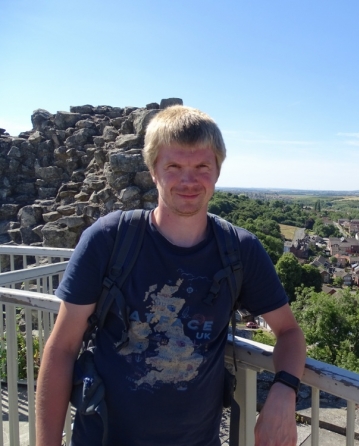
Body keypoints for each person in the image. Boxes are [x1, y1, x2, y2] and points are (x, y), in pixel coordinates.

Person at [36, 105, 307, 446]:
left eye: (201, 167)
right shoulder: (109, 240)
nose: (188, 181)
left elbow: (289, 332)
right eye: (174, 166)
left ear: (218, 171)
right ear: (153, 171)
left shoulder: (240, 250)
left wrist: (284, 391)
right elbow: (62, 348)